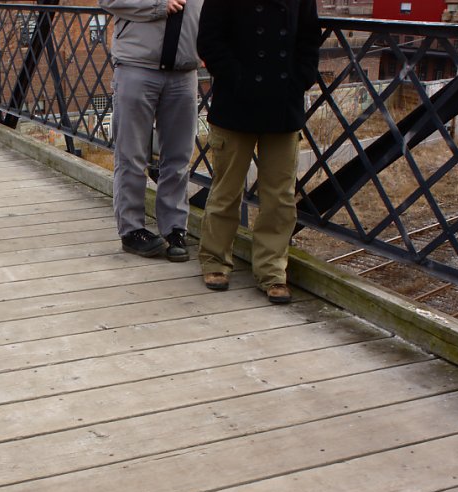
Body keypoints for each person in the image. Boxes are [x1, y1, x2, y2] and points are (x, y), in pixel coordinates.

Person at [196, 0, 320, 302]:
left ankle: (272, 272)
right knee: (226, 190)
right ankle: (215, 260)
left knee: (279, 196)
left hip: (283, 104)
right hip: (236, 103)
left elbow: (309, 38)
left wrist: (301, 79)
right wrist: (238, 78)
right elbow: (209, 40)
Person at [99, 0, 203, 262]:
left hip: (185, 71)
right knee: (131, 154)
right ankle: (132, 231)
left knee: (179, 156)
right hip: (137, 66)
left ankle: (175, 229)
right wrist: (157, 5)